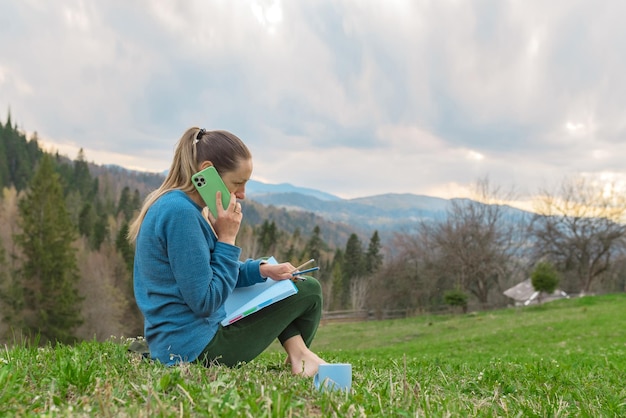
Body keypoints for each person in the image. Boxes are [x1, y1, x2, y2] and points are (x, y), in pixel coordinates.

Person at [128, 127, 326, 376]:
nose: (242, 194)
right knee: (308, 290)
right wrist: (227, 238)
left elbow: (207, 272)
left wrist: (262, 270)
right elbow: (206, 302)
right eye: (237, 183)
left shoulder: (177, 205)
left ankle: (299, 355)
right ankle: (299, 357)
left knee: (281, 286)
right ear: (206, 171)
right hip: (196, 350)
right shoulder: (181, 215)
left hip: (179, 342)